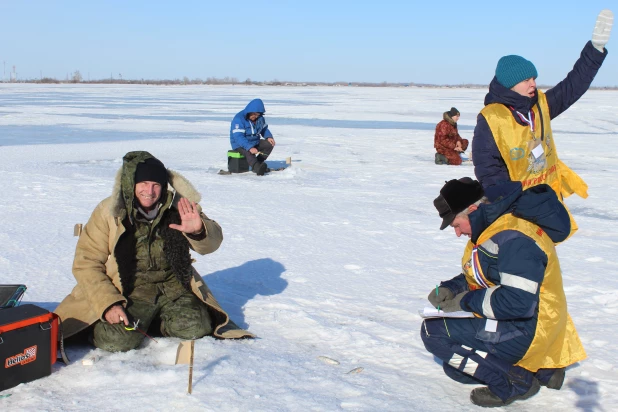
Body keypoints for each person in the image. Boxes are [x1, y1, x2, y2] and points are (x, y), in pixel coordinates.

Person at [55, 151, 253, 352]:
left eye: (156, 184)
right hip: (129, 289)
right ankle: (116, 324)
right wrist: (108, 304)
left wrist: (198, 231)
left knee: (196, 327)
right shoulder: (110, 211)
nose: (149, 191)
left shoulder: (180, 207)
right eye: (143, 183)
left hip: (173, 287)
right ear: (131, 184)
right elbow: (86, 263)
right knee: (115, 340)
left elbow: (212, 244)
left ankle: (153, 320)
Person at [421, 178, 586, 407]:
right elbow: (485, 271)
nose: (458, 233)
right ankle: (541, 369)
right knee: (456, 369)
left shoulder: (515, 238)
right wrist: (452, 288)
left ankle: (514, 382)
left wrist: (466, 301)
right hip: (531, 324)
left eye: (457, 225)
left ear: (472, 209)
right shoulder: (493, 227)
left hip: (530, 329)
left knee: (433, 333)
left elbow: (517, 302)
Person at [472, 10, 612, 207]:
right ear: (510, 84)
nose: (533, 84)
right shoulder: (492, 118)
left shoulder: (540, 105)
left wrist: (595, 50)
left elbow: (573, 85)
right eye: (527, 80)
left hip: (547, 199)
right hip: (517, 206)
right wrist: (510, 200)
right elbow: (488, 168)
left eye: (534, 79)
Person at [230, 98, 276, 176]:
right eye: (254, 114)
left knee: (269, 144)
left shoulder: (260, 119)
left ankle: (259, 163)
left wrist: (268, 137)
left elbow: (264, 129)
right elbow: (238, 137)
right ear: (249, 111)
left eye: (257, 115)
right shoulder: (239, 119)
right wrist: (250, 147)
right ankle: (256, 168)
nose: (255, 116)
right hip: (240, 144)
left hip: (254, 141)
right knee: (248, 153)